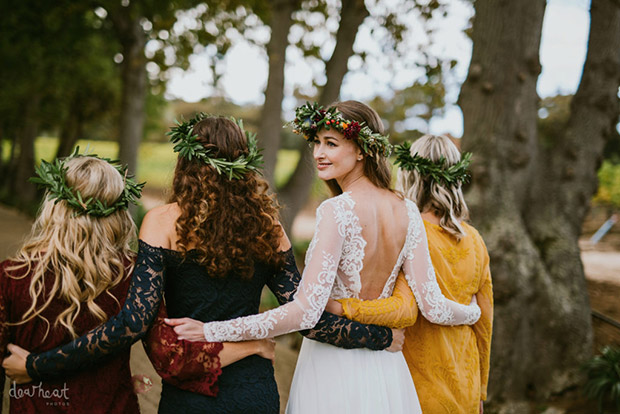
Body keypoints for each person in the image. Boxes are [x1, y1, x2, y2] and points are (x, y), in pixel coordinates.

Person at [2, 115, 397, 414]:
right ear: (244, 164)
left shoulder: (161, 221)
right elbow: (306, 315)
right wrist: (379, 337)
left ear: (187, 161)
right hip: (254, 392)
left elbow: (134, 323)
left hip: (191, 395)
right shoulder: (268, 227)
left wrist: (39, 365)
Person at [167, 102, 482, 413]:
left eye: (331, 143)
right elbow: (435, 307)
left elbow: (304, 313)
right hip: (386, 371)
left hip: (333, 367)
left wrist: (210, 330)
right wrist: (472, 312)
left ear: (361, 150)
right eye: (316, 142)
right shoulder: (408, 210)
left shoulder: (337, 210)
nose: (318, 153)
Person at [327, 134, 494, 414]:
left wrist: (341, 307)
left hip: (415, 385)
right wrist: (481, 390)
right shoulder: (475, 240)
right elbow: (485, 323)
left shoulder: (411, 233)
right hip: (466, 384)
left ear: (409, 174)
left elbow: (402, 309)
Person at [0, 153, 143, 413]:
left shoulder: (13, 276)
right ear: (119, 211)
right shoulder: (136, 275)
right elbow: (171, 361)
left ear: (54, 204)